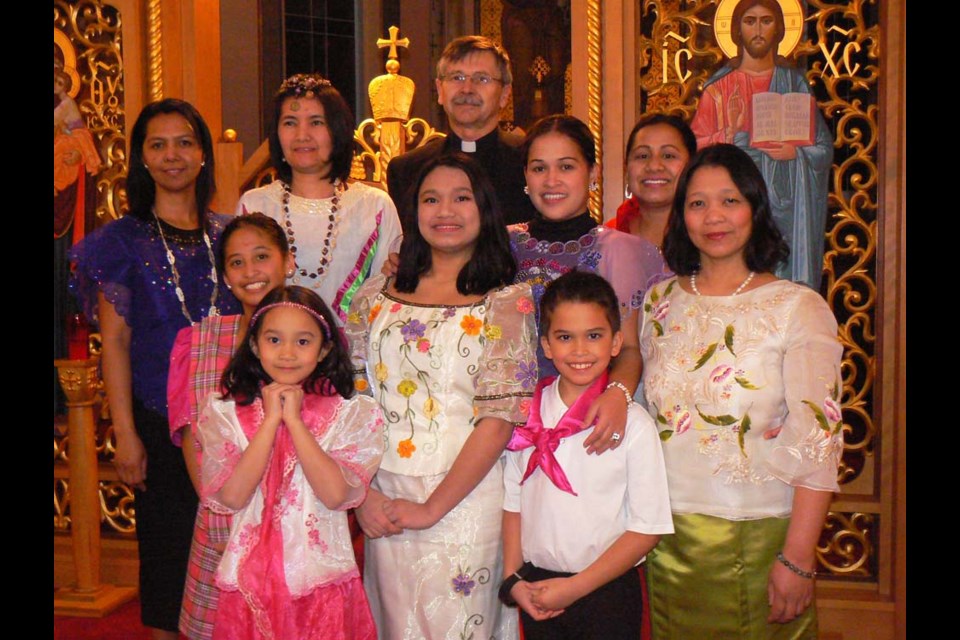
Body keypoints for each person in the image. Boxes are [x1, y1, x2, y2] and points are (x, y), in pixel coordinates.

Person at [639, 143, 844, 638]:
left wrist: (797, 558)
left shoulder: (796, 306)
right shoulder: (659, 301)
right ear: (682, 215)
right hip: (666, 540)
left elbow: (819, 439)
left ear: (755, 208)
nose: (715, 217)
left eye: (730, 200)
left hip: (759, 534)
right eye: (698, 203)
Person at [346, 153, 537, 639]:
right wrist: (362, 495)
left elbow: (500, 419)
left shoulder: (506, 301)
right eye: (431, 199)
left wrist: (432, 508)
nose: (445, 210)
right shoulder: (374, 296)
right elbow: (349, 404)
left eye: (461, 198)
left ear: (484, 210)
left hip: (466, 500)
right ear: (414, 213)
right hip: (384, 498)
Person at [69, 98, 239, 639]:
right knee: (169, 564)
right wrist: (124, 433)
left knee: (235, 563)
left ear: (203, 154)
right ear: (141, 157)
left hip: (235, 428)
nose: (172, 155)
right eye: (158, 144)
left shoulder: (231, 236)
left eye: (184, 142)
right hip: (158, 423)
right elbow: (113, 343)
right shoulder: (120, 242)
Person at [198, 285, 384, 639]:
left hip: (319, 580)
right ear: (254, 345)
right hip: (248, 584)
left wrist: (296, 422)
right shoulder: (225, 414)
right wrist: (270, 421)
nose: (287, 353)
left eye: (303, 342)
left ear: (324, 348)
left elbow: (335, 496)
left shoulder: (351, 414)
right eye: (273, 340)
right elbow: (232, 497)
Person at [501, 270, 674, 639]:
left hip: (607, 589)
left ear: (616, 343)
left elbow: (648, 528)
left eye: (593, 336)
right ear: (546, 345)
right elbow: (513, 504)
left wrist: (576, 587)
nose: (579, 351)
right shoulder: (527, 414)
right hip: (538, 587)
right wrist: (513, 578)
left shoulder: (635, 426)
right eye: (565, 337)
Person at [166, 213, 293, 640]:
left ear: (287, 262)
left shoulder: (312, 334)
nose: (250, 271)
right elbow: (190, 433)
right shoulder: (199, 339)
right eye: (237, 263)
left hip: (293, 524)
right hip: (221, 515)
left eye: (261, 257)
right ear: (225, 275)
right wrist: (215, 503)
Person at [512, 114, 651, 452]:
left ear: (592, 173)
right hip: (511, 426)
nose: (551, 180)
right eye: (539, 168)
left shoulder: (620, 250)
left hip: (589, 421)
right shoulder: (502, 246)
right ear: (526, 177)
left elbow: (630, 348)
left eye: (566, 167)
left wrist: (617, 397)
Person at [237, 73, 401, 325]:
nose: (302, 135)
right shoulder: (255, 206)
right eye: (290, 123)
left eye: (316, 122)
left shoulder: (375, 207)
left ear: (337, 130)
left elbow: (390, 298)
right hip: (275, 355)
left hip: (356, 359)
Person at [690, 0, 833, 290]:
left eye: (766, 21)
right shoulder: (719, 89)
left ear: (780, 29)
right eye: (749, 21)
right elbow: (695, 149)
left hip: (787, 207)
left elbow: (822, 147)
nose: (758, 29)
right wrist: (729, 133)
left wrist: (795, 152)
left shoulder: (795, 84)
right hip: (732, 208)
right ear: (737, 30)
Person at [386, 35, 536, 230]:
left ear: (505, 94)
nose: (467, 89)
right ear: (440, 90)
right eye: (457, 77)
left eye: (481, 79)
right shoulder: (407, 170)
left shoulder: (532, 162)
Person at [605, 113, 696, 291]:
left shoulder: (710, 236)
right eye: (642, 156)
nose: (654, 166)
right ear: (626, 168)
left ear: (692, 166)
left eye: (668, 155)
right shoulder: (606, 241)